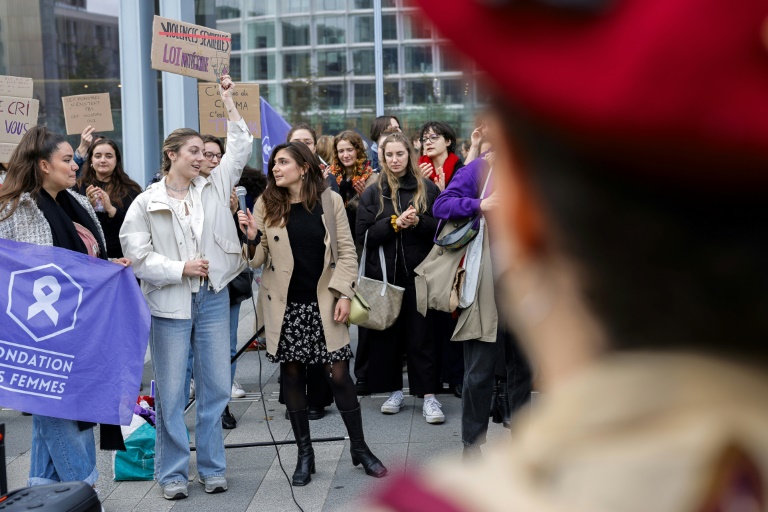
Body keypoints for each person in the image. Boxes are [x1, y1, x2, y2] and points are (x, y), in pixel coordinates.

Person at [368, 1, 768, 510]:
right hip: (487, 295)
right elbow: (448, 203)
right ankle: (477, 441)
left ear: (527, 216)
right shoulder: (474, 174)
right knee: (479, 371)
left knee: (518, 372)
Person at [120, 75, 252, 500]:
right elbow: (136, 254)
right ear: (171, 155)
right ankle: (174, 474)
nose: (203, 157)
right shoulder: (146, 201)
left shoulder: (214, 185)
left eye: (205, 152)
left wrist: (227, 100)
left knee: (214, 388)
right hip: (169, 305)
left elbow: (241, 143)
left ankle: (213, 467)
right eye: (194, 151)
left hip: (213, 297)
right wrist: (180, 268)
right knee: (172, 393)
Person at [237, 141, 387, 486]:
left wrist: (344, 294)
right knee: (292, 377)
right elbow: (257, 260)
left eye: (283, 162)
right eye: (274, 162)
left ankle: (360, 448)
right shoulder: (266, 204)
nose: (276, 168)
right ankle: (306, 454)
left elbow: (347, 253)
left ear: (304, 167)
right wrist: (250, 237)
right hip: (284, 306)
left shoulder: (328, 200)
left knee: (338, 376)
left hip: (325, 302)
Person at [0, 126, 130, 488]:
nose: (76, 165)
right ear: (43, 165)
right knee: (67, 416)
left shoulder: (81, 203)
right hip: (43, 339)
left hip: (85, 333)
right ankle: (86, 496)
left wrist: (109, 267)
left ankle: (42, 499)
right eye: (67, 159)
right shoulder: (13, 210)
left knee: (50, 428)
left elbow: (86, 262)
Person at [431, 146, 532, 458]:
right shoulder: (480, 169)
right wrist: (480, 203)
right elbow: (441, 205)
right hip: (483, 280)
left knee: (524, 367)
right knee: (479, 369)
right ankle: (471, 445)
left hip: (526, 282)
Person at [356, 132, 444, 424]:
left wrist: (418, 222)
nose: (394, 160)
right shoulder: (373, 190)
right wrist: (394, 223)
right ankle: (394, 391)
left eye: (399, 154)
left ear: (409, 155)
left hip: (421, 275)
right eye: (389, 155)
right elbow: (364, 235)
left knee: (422, 337)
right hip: (384, 277)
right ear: (381, 157)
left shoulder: (427, 188)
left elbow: (439, 231)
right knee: (387, 337)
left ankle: (429, 396)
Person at [285, 122, 338, 420]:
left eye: (308, 141)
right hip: (289, 284)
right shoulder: (274, 193)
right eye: (297, 141)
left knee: (319, 348)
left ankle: (318, 399)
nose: (304, 144)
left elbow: (343, 245)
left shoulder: (327, 189)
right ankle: (294, 402)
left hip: (319, 280)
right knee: (291, 353)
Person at [74, 139, 142, 259]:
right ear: (91, 160)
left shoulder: (131, 189)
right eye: (98, 156)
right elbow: (73, 224)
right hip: (88, 257)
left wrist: (111, 209)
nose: (103, 160)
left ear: (117, 160)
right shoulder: (78, 187)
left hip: (122, 257)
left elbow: (137, 226)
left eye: (109, 156)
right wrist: (88, 206)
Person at [330, 130, 378, 242]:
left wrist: (363, 198)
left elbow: (377, 214)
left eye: (350, 150)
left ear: (358, 151)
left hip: (362, 239)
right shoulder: (331, 177)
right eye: (341, 151)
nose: (345, 155)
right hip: (338, 238)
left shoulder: (372, 178)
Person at [417, 121, 463, 191]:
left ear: (447, 141)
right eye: (424, 139)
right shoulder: (417, 169)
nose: (428, 142)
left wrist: (442, 195)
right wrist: (421, 186)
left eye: (433, 137)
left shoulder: (461, 172)